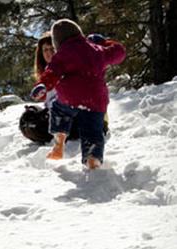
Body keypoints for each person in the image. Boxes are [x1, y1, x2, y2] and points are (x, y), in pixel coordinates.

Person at [31, 19, 125, 169]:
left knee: (58, 109)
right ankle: (92, 159)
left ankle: (59, 141)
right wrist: (105, 42)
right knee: (93, 131)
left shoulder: (62, 55)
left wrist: (42, 85)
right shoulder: (96, 50)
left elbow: (52, 72)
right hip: (96, 101)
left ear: (57, 42)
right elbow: (119, 53)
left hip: (70, 98)